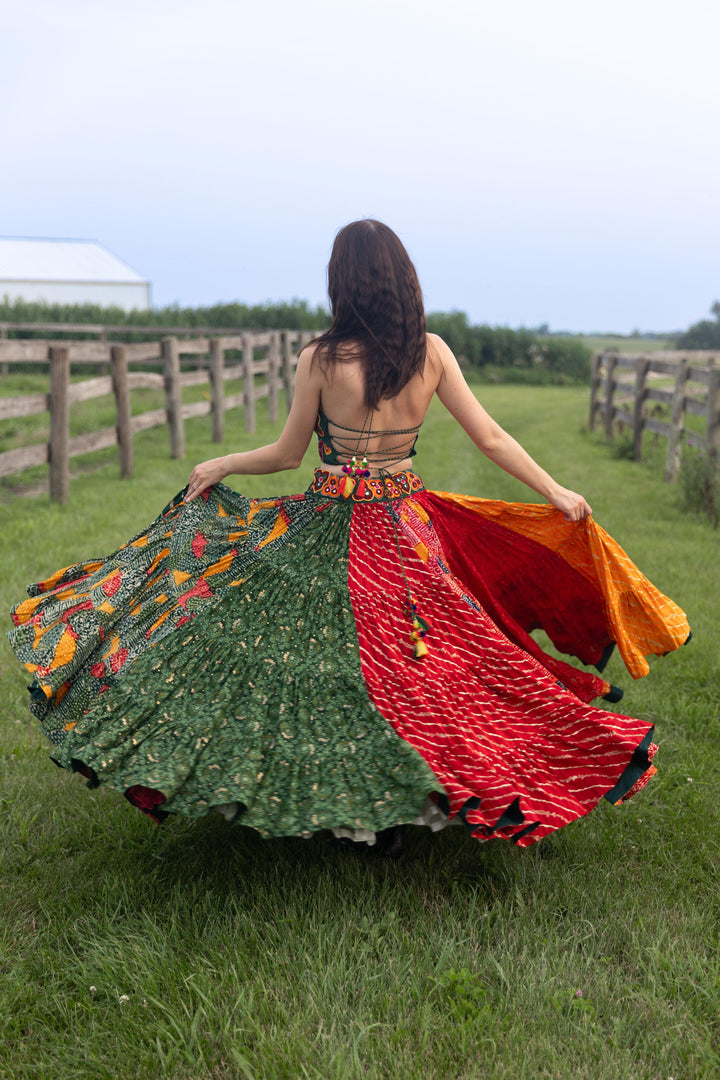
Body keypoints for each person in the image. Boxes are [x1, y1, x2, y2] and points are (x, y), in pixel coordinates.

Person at [8, 220, 689, 851]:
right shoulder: (433, 354)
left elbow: (285, 454)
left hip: (331, 524)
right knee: (425, 667)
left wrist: (220, 463)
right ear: (404, 281)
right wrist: (556, 492)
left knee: (323, 666)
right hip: (407, 529)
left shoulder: (321, 358)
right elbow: (490, 436)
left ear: (343, 284)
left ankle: (367, 807)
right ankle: (404, 804)